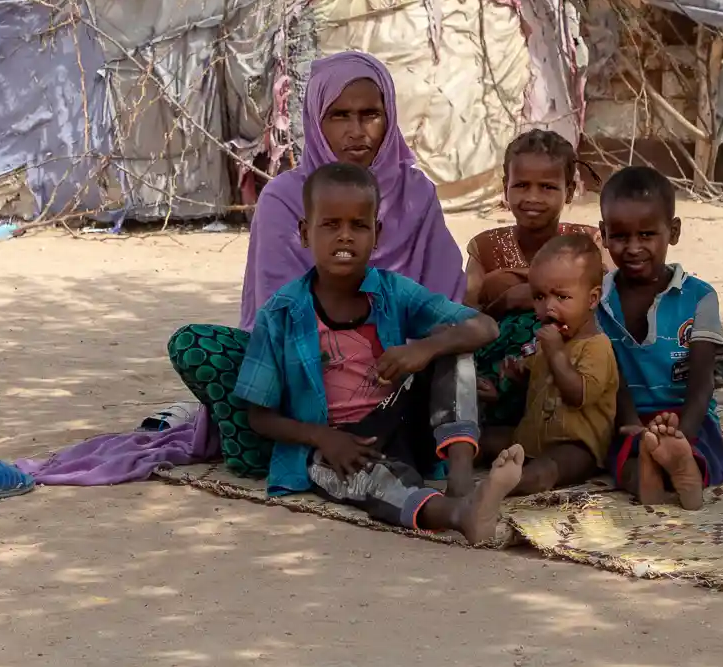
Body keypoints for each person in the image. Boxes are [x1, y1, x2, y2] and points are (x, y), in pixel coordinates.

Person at [234, 162, 522, 544]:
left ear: (377, 234)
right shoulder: (281, 313)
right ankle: (459, 514)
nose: (345, 237)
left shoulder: (393, 291)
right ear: (305, 233)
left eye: (358, 225)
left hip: (402, 423)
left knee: (454, 343)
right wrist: (323, 437)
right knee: (368, 480)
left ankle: (460, 479)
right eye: (330, 225)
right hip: (339, 445)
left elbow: (485, 327)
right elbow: (259, 415)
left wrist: (425, 348)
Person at [238, 51, 464, 329]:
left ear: (389, 117)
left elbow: (444, 297)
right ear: (316, 122)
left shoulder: (416, 193)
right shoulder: (284, 199)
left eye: (370, 114)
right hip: (306, 351)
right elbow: (279, 311)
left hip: (409, 355)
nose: (357, 131)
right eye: (339, 115)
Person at [595, 166, 723, 510]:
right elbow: (613, 378)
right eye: (620, 237)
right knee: (619, 459)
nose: (633, 247)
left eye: (646, 235)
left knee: (702, 451)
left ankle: (682, 463)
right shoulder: (597, 299)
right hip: (631, 418)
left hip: (689, 417)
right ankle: (648, 475)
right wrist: (629, 423)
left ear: (672, 232)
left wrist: (681, 435)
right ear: (603, 234)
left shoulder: (699, 297)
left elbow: (702, 383)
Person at [480, 232, 619, 496]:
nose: (548, 308)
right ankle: (450, 472)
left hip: (577, 445)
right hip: (532, 436)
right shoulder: (548, 340)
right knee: (483, 438)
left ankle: (498, 489)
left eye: (562, 297)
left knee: (546, 471)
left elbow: (578, 395)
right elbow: (540, 386)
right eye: (539, 297)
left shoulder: (597, 346)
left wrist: (556, 354)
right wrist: (516, 375)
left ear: (592, 299)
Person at [464, 128, 597, 318]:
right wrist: (506, 301)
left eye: (547, 187)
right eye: (521, 185)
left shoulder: (589, 243)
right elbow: (466, 317)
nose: (533, 197)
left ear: (568, 192)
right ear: (505, 188)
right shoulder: (485, 248)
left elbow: (611, 302)